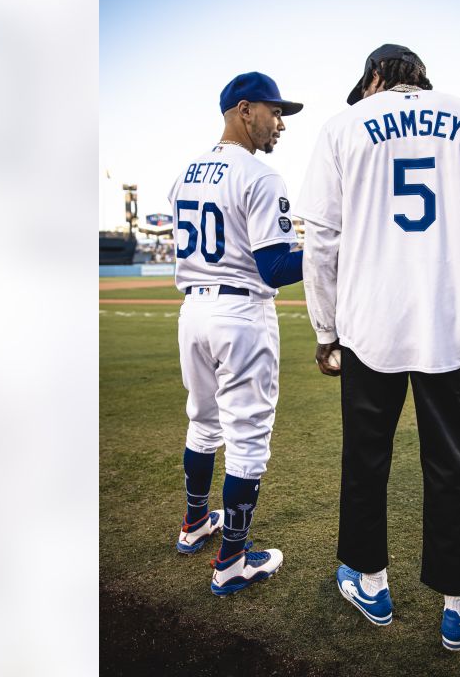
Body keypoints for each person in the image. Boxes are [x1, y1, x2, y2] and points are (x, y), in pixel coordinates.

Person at [295, 44, 460, 651]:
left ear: (374, 77)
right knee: (453, 465)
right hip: (449, 320)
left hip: (370, 324)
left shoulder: (342, 126)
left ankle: (370, 581)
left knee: (365, 460)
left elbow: (322, 244)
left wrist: (326, 332)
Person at [169, 72, 305, 597]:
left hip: (194, 312)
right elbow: (273, 268)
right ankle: (231, 562)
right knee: (247, 440)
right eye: (275, 112)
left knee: (203, 425)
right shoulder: (261, 175)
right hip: (242, 313)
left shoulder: (186, 173)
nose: (281, 124)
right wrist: (328, 251)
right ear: (244, 110)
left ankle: (194, 524)